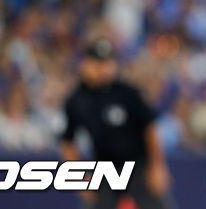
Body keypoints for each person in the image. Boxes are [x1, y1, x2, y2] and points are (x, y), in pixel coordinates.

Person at [60, 38, 172, 209]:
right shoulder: (77, 101)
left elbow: (149, 128)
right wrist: (78, 178)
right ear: (86, 64)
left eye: (107, 63)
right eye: (97, 62)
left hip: (138, 168)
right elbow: (67, 141)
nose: (103, 68)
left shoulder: (126, 93)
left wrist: (157, 165)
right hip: (106, 172)